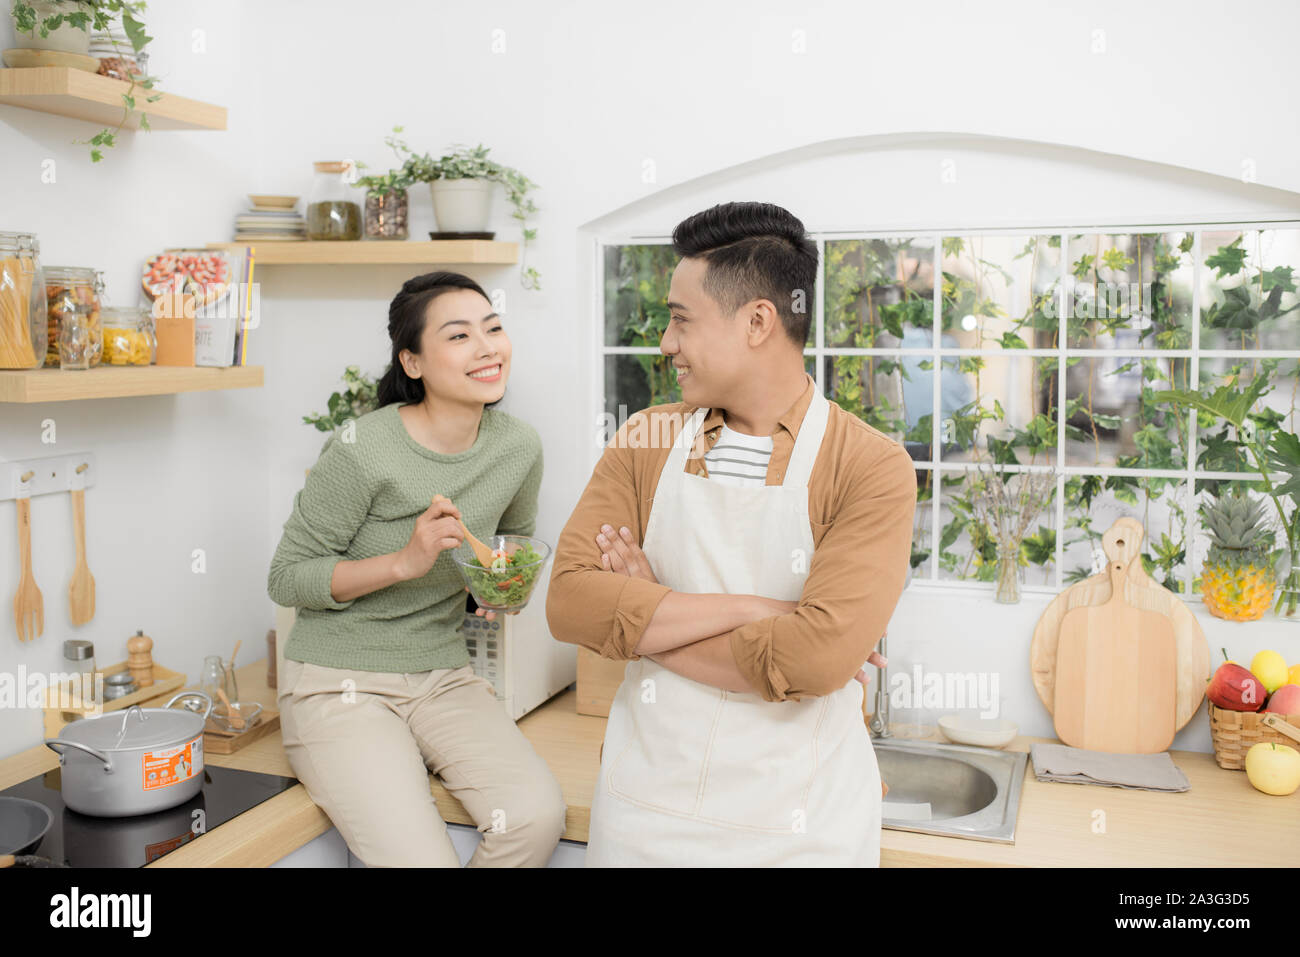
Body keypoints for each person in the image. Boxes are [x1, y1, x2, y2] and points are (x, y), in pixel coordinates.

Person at [546, 202, 917, 866]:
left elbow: (815, 660)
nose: (666, 342)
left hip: (799, 832)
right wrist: (760, 611)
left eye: (680, 319)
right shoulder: (646, 439)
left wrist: (647, 611)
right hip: (642, 817)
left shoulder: (869, 466)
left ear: (757, 322)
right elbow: (570, 602)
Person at [267, 271, 566, 867]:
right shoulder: (361, 448)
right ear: (413, 362)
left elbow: (507, 554)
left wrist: (500, 590)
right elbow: (287, 577)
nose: (487, 347)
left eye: (494, 328)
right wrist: (405, 562)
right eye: (459, 336)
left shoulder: (518, 448)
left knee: (534, 818)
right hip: (337, 681)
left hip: (442, 674)